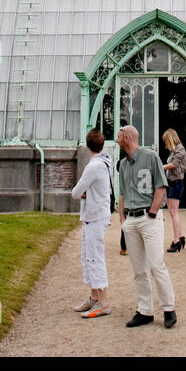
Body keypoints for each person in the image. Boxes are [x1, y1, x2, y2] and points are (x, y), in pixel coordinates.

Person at [116, 125, 177, 329]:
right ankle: (145, 311)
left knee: (156, 264)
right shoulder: (123, 164)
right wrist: (123, 220)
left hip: (149, 218)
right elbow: (122, 194)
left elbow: (161, 186)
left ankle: (169, 309)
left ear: (126, 137)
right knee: (138, 269)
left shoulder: (150, 157)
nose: (115, 139)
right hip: (131, 221)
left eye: (118, 136)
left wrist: (152, 212)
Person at [69, 129, 113, 318]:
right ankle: (94, 296)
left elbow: (76, 192)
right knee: (88, 256)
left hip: (95, 216)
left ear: (88, 146)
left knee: (95, 257)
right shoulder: (104, 163)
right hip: (95, 215)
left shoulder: (94, 166)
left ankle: (103, 302)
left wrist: (84, 192)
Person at [160, 129, 186, 252]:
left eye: (166, 140)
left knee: (173, 212)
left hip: (176, 183)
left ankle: (176, 241)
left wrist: (159, 167)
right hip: (172, 182)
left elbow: (173, 165)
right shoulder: (174, 150)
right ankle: (180, 237)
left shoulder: (180, 150)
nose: (165, 143)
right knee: (173, 212)